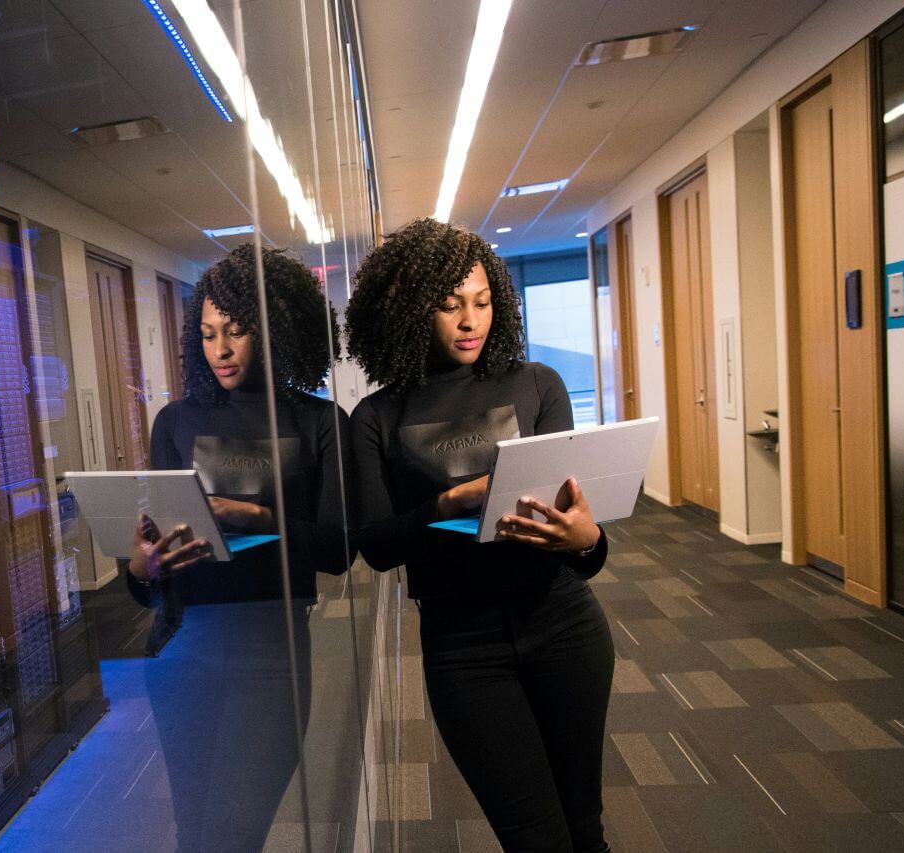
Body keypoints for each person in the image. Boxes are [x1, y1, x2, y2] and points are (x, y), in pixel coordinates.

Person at [344, 218, 612, 852]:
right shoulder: (377, 416)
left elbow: (580, 545)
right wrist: (446, 503)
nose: (471, 320)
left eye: (483, 301)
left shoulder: (537, 385)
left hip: (564, 624)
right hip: (463, 647)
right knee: (534, 839)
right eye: (449, 305)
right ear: (411, 313)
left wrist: (587, 540)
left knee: (585, 829)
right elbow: (378, 546)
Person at [123, 242, 351, 851]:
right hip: (181, 645)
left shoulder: (320, 422)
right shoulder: (174, 421)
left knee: (233, 831)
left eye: (236, 331)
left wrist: (255, 517)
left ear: (274, 330)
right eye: (207, 334)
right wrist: (143, 570)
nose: (219, 349)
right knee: (195, 832)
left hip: (271, 648)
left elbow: (338, 549)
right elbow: (153, 569)